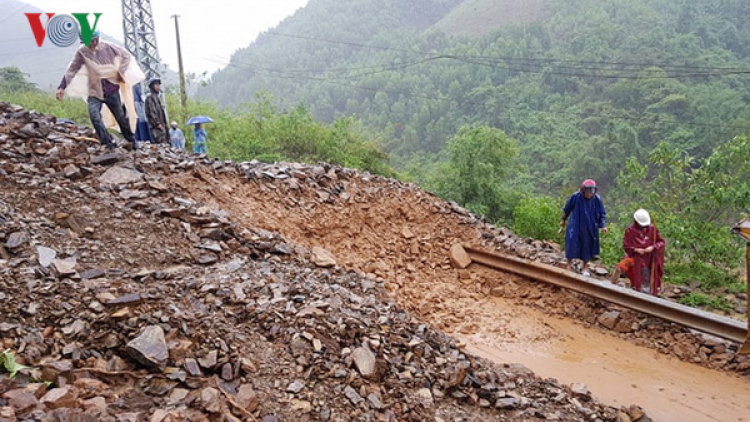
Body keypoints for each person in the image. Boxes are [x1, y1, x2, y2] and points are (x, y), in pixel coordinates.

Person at [56, 30, 136, 150]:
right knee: (94, 116)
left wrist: (121, 71)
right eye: (90, 41)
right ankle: (107, 143)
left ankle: (131, 140)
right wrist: (62, 87)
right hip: (94, 91)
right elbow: (72, 69)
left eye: (95, 40)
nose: (93, 43)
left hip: (111, 89)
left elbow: (126, 56)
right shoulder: (82, 52)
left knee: (120, 118)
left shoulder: (109, 47)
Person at [611, 209, 665, 295]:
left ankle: (648, 292)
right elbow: (626, 246)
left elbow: (661, 242)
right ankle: (611, 286)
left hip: (648, 258)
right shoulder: (630, 230)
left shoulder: (652, 229)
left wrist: (652, 247)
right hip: (634, 257)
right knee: (619, 267)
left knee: (649, 276)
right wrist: (635, 250)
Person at [560, 179, 608, 276]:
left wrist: (603, 225)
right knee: (572, 243)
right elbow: (567, 209)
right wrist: (563, 219)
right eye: (588, 191)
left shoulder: (597, 199)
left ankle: (585, 266)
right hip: (575, 224)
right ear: (583, 190)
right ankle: (569, 264)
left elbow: (602, 214)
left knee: (587, 245)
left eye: (592, 191)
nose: (590, 193)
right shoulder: (576, 197)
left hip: (589, 226)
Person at [145, 78, 169, 144]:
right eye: (156, 84)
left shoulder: (157, 97)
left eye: (159, 85)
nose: (158, 86)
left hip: (162, 126)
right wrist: (157, 124)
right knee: (161, 145)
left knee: (166, 146)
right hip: (156, 128)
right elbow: (152, 112)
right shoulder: (150, 97)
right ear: (151, 86)